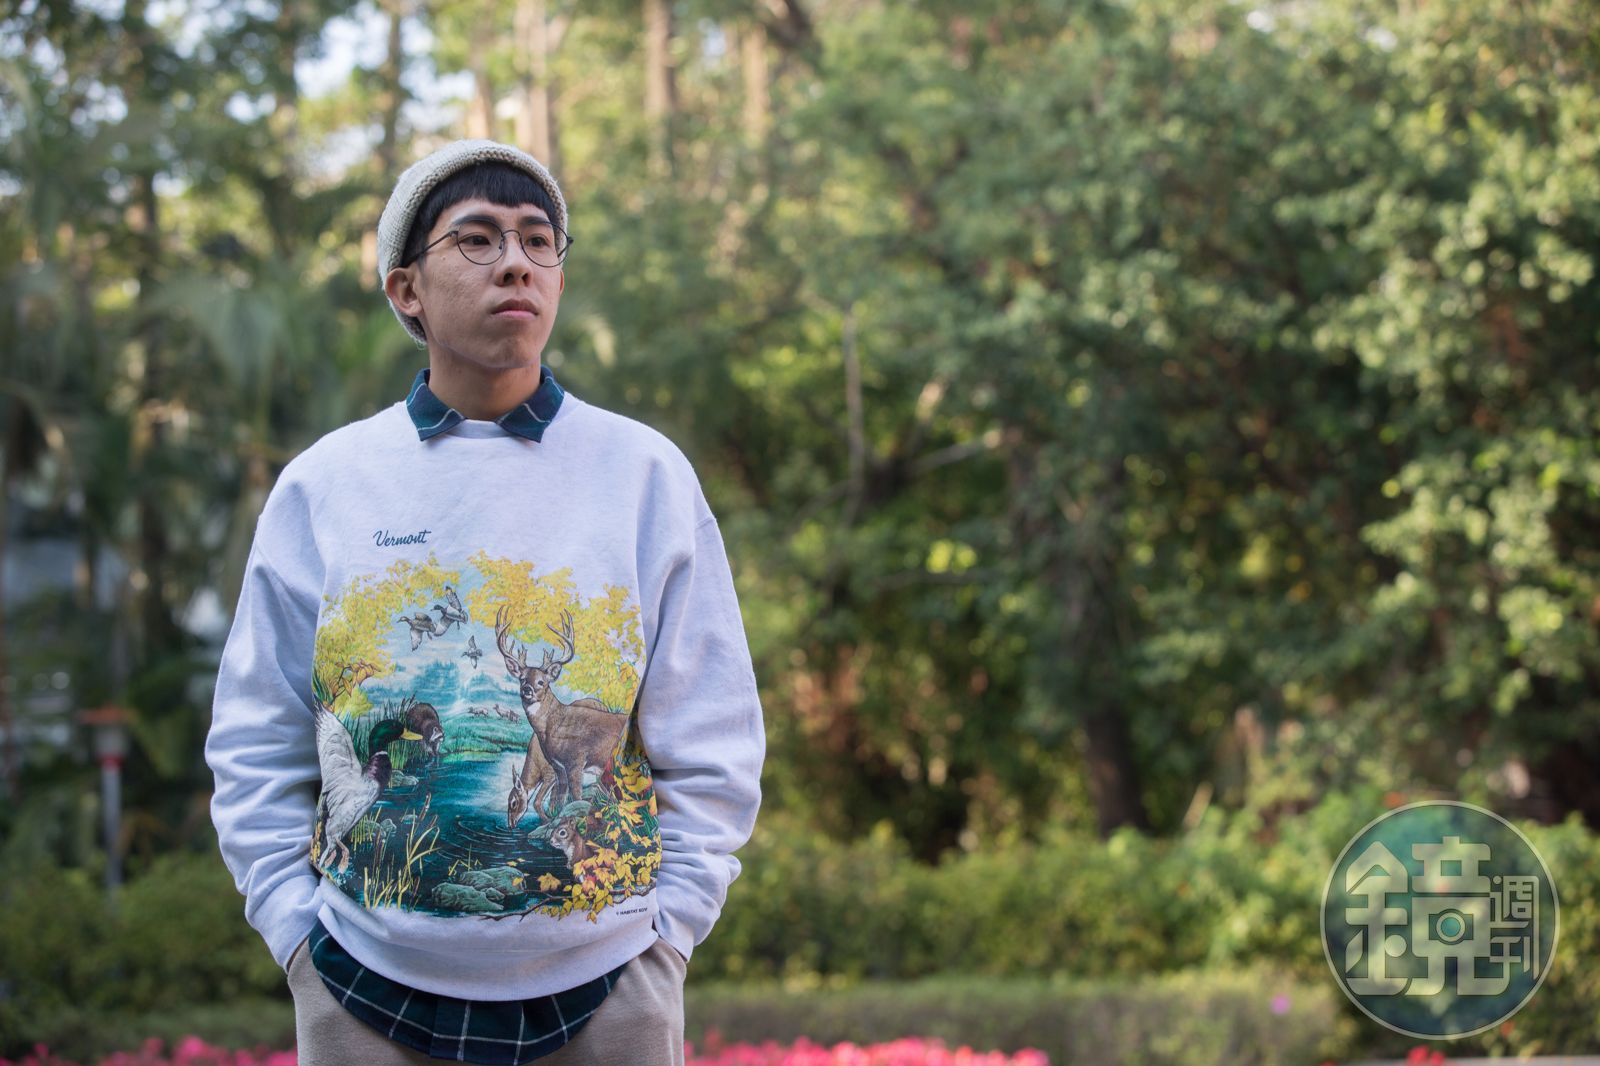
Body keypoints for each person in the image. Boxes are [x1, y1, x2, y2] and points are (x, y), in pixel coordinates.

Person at [205, 139, 765, 1066]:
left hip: (612, 992)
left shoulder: (643, 475)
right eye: (476, 238)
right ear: (406, 290)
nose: (515, 262)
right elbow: (257, 731)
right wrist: (295, 934)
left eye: (538, 240)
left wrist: (667, 939)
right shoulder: (327, 484)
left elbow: (713, 733)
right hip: (360, 987)